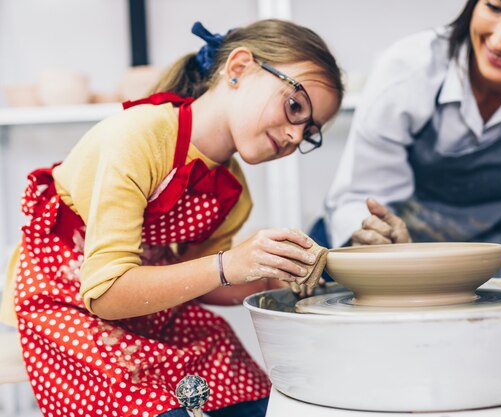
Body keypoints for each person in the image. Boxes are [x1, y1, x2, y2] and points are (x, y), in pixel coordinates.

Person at [0, 19, 343, 417]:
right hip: (70, 302)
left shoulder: (233, 191)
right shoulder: (138, 136)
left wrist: (270, 275)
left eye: (311, 132)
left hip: (147, 305)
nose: (296, 136)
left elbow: (195, 282)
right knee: (164, 409)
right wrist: (230, 263)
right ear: (238, 68)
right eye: (295, 107)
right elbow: (106, 293)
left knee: (255, 398)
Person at [313, 0, 501, 390]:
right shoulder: (410, 66)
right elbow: (361, 194)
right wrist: (376, 240)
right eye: (494, 6)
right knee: (371, 368)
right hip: (401, 250)